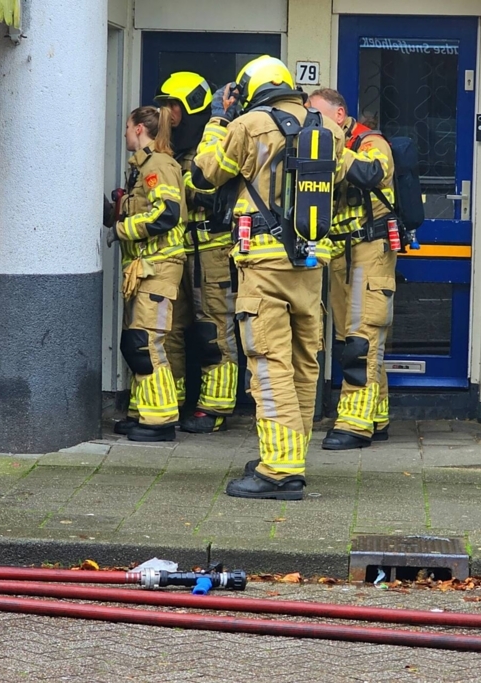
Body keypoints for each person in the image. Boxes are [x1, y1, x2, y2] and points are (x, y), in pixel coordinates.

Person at [191, 56, 384, 499]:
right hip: (311, 264)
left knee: (269, 362)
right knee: (302, 362)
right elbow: (353, 175)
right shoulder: (326, 126)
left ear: (253, 88)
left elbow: (204, 175)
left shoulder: (250, 124)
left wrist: (220, 118)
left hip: (263, 266)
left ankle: (277, 471)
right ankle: (289, 456)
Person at [308, 88, 398, 451]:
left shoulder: (371, 143)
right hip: (342, 255)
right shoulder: (330, 148)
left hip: (370, 251)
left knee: (361, 340)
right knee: (352, 339)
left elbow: (372, 173)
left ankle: (355, 425)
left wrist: (332, 150)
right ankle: (376, 416)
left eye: (318, 116)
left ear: (340, 115)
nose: (312, 124)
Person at [155, 73, 240, 434]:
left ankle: (215, 407)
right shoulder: (171, 151)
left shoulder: (216, 144)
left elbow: (202, 191)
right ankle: (169, 402)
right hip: (178, 252)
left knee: (214, 330)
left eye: (173, 107)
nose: (168, 116)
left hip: (213, 252)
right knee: (170, 329)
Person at [104, 106, 187, 442]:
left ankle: (160, 421)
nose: (124, 133)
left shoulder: (159, 166)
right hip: (143, 269)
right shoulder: (142, 169)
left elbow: (166, 214)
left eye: (126, 127)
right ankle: (142, 412)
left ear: (140, 130)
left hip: (160, 267)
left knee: (147, 343)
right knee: (134, 343)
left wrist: (122, 229)